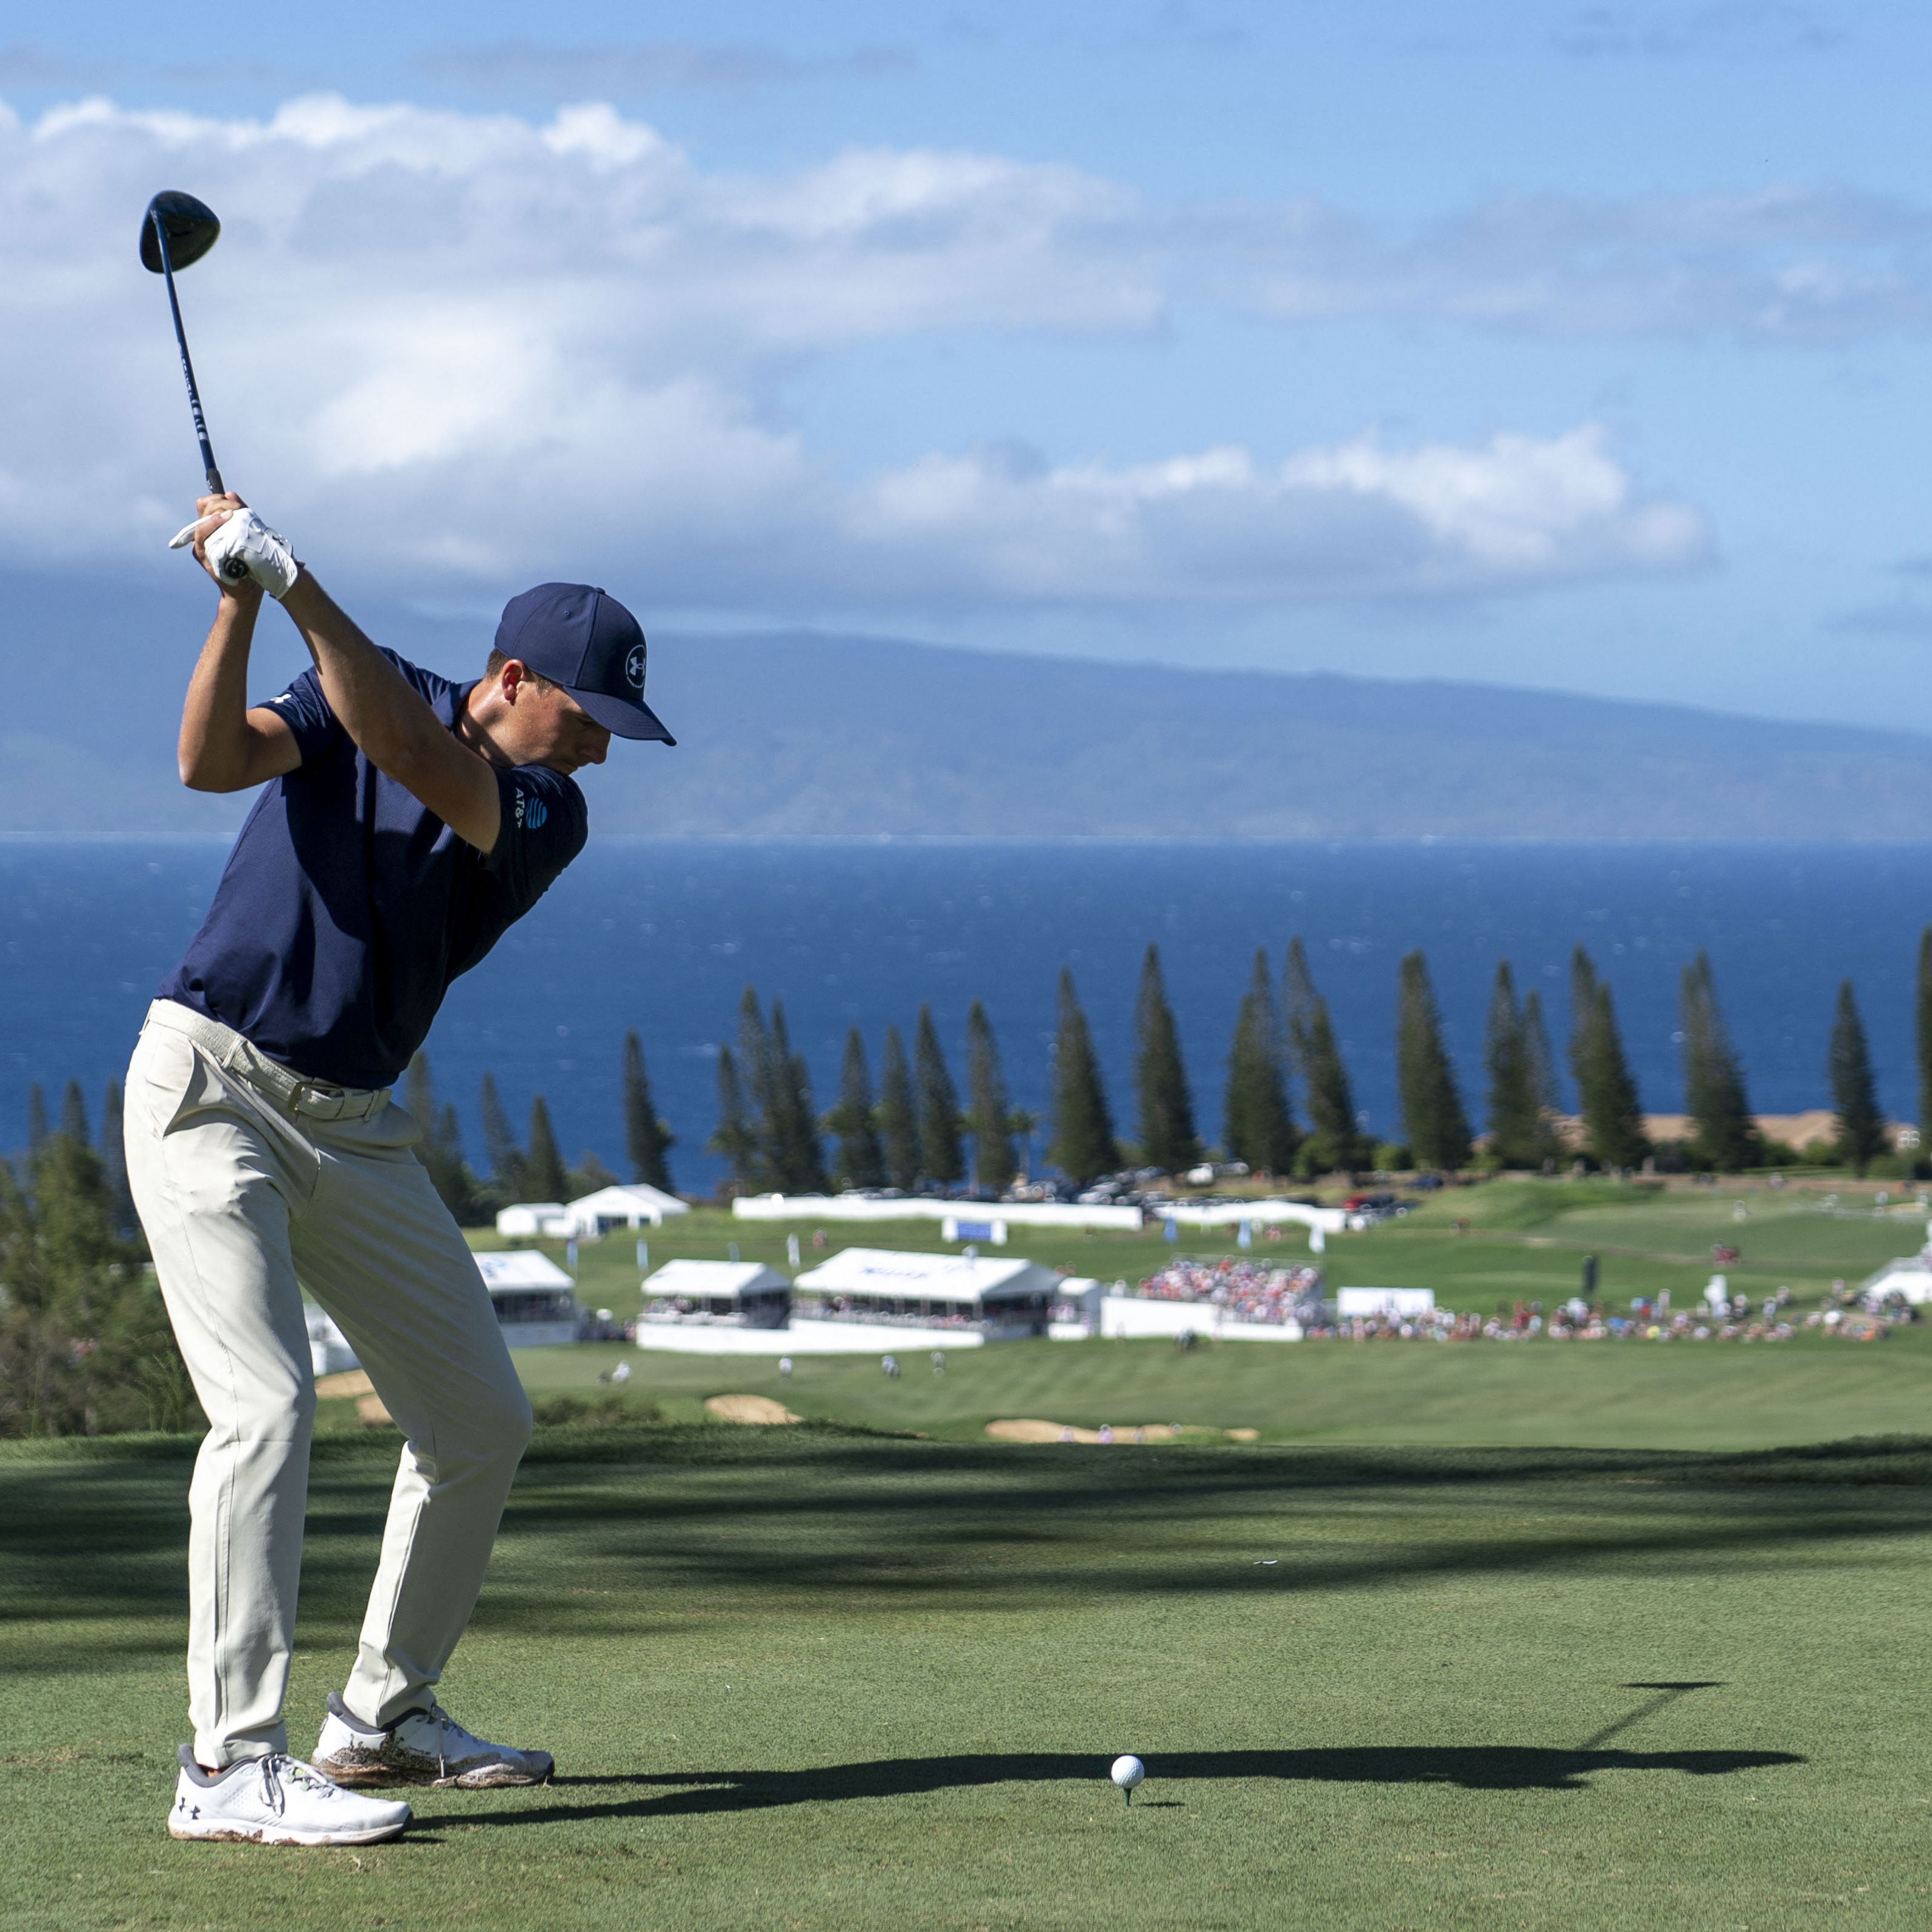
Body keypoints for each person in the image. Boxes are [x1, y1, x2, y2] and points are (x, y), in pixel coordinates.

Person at [128, 498, 674, 1847]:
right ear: (512, 677)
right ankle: (227, 1762)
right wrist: (239, 599)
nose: (602, 741)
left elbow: (414, 753)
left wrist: (295, 574)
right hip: (209, 1088)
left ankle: (379, 1716)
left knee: (479, 1416)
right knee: (264, 1408)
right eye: (587, 709)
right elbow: (207, 762)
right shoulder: (359, 688)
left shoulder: (547, 809)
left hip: (354, 1126)